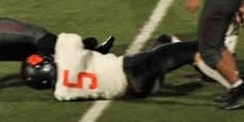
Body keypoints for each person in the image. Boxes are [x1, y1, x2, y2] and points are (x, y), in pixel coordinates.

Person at [21, 32, 199, 101]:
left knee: (164, 43)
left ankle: (193, 60)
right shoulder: (66, 55)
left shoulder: (61, 94)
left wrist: (96, 53)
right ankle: (217, 65)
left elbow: (80, 66)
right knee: (195, 48)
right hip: (132, 70)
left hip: (134, 92)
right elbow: (86, 41)